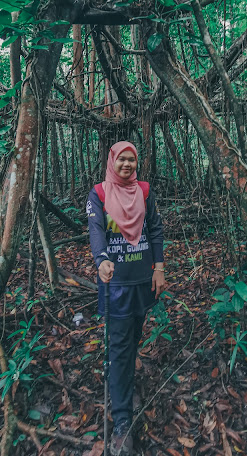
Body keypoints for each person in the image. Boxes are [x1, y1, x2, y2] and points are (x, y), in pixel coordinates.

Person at [86, 141, 165, 456]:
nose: (127, 165)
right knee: (119, 349)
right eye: (122, 160)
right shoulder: (100, 194)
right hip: (115, 284)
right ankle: (122, 425)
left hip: (143, 281)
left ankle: (123, 385)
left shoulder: (144, 192)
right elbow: (95, 230)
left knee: (132, 340)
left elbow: (155, 229)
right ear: (112, 161)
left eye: (132, 159)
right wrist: (101, 258)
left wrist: (159, 268)